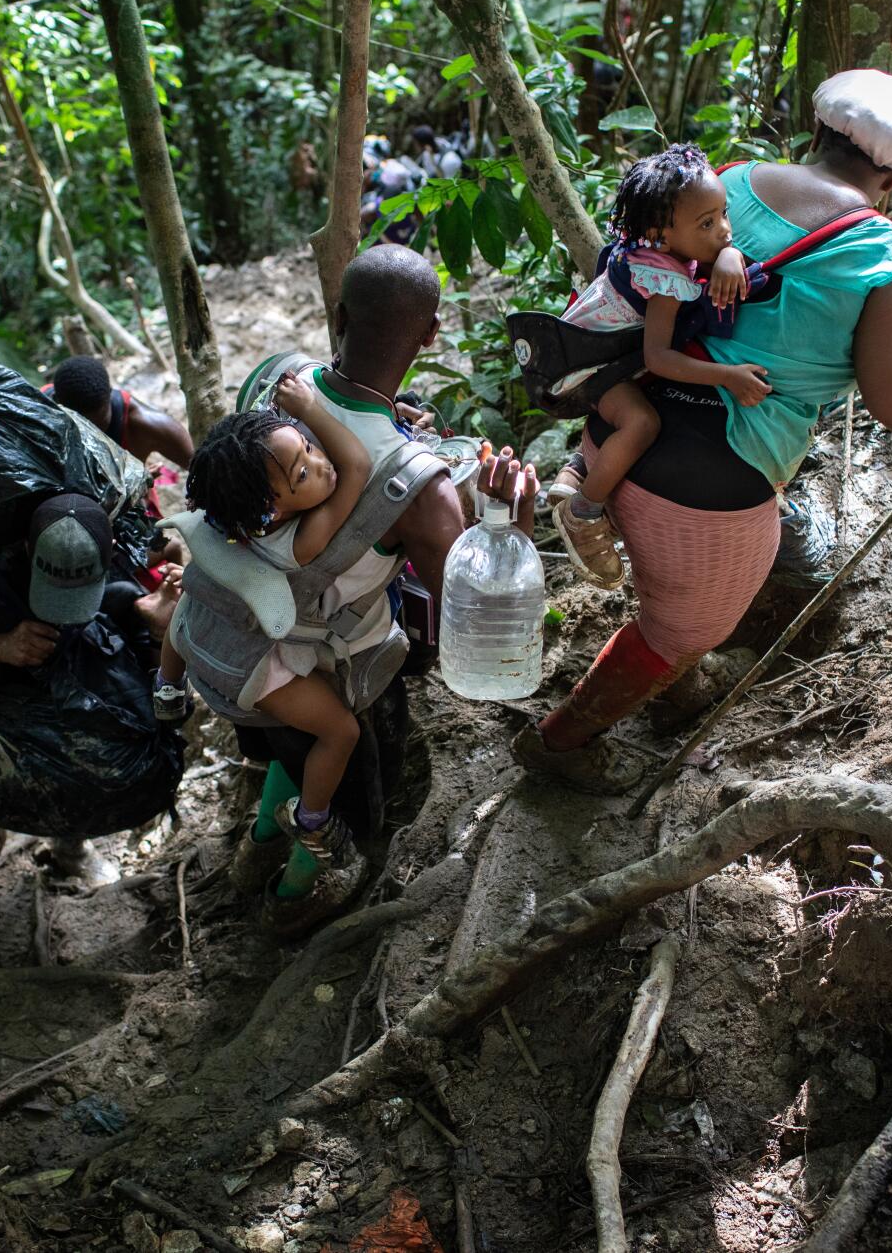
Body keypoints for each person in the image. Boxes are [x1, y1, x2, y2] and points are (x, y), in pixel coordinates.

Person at [512, 69, 892, 791]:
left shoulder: (721, 185)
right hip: (710, 490)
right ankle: (561, 742)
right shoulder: (886, 261)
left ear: (819, 133)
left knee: (669, 591)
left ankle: (675, 684)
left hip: (620, 425)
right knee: (684, 627)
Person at [175, 245, 535, 934]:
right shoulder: (424, 491)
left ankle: (258, 846)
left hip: (228, 641)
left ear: (337, 315)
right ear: (430, 336)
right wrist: (507, 519)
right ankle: (300, 895)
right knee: (351, 798)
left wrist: (397, 420)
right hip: (330, 673)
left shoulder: (275, 384)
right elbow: (473, 618)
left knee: (287, 747)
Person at [0, 495, 182, 913]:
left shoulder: (123, 562)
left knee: (118, 771)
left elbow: (164, 710)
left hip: (79, 680)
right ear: (27, 549)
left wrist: (159, 632)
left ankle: (70, 843)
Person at [161, 369, 373, 903]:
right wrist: (311, 411)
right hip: (256, 668)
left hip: (197, 635)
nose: (320, 461)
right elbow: (359, 466)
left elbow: (313, 460)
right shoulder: (297, 542)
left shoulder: (223, 517)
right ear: (273, 511)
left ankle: (166, 686)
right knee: (340, 732)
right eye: (305, 471)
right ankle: (314, 819)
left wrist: (298, 433)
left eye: (307, 447)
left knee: (187, 600)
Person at [548, 144, 771, 589]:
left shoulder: (643, 248)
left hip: (591, 352)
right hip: (585, 369)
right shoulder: (664, 282)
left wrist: (726, 253)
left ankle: (578, 467)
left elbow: (716, 250)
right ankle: (584, 511)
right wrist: (727, 375)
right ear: (660, 233)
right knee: (642, 424)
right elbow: (659, 359)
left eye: (724, 213)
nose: (725, 230)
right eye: (707, 224)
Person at [45, 355, 195, 469]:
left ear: (110, 393)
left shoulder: (147, 425)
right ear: (58, 403)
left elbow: (204, 470)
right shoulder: (38, 410)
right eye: (82, 426)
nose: (92, 434)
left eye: (98, 426)